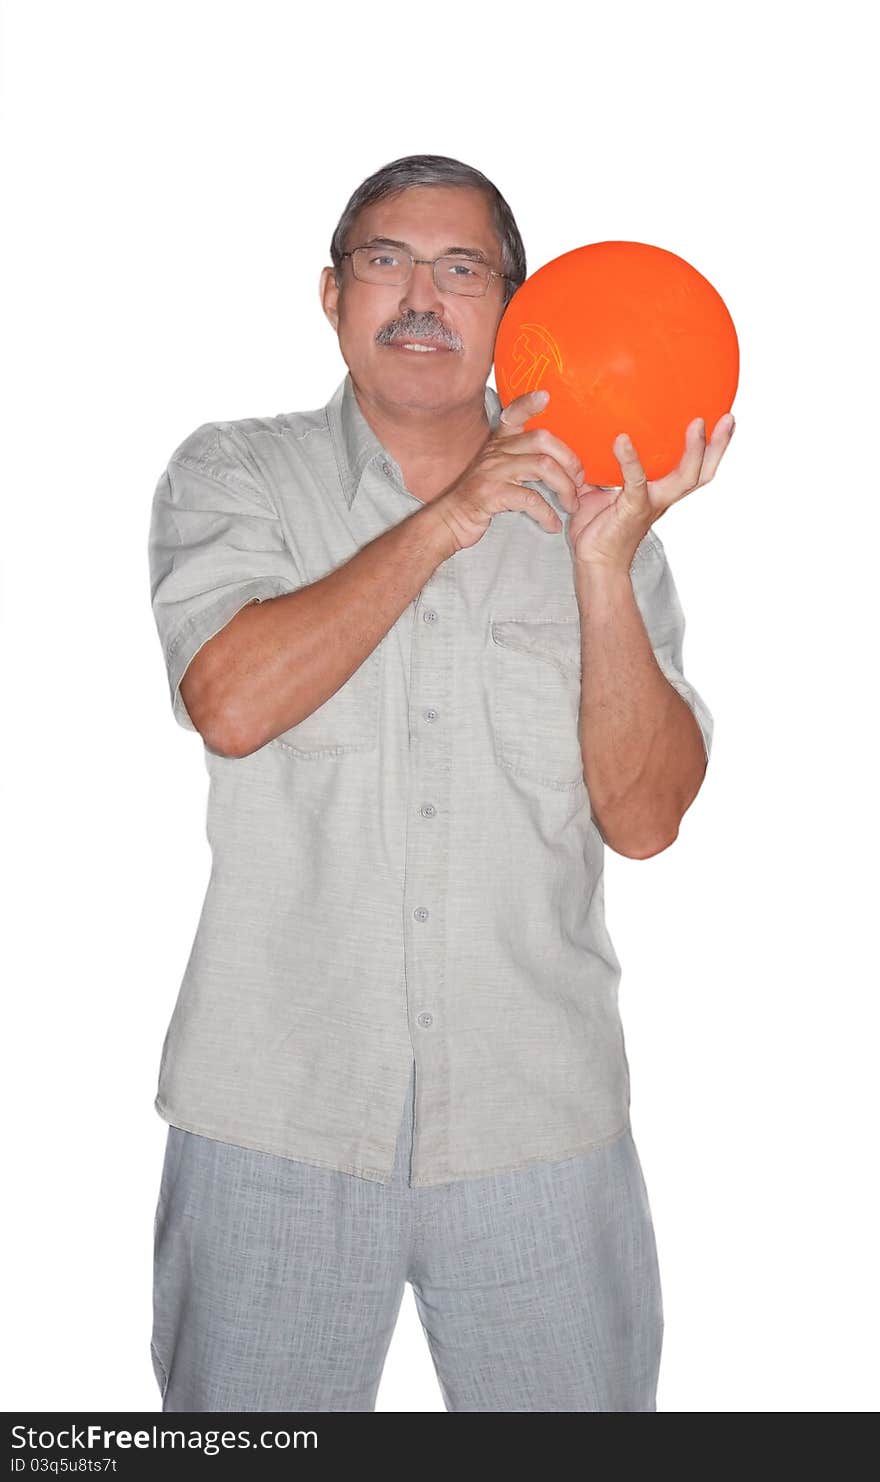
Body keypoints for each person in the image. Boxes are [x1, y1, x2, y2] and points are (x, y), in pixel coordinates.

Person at [148, 153, 731, 1413]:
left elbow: (645, 820)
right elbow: (231, 704)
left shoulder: (607, 521)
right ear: (330, 295)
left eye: (463, 269)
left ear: (514, 311)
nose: (422, 295)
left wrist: (600, 565)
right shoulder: (235, 475)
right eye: (385, 262)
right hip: (275, 1124)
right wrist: (449, 518)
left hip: (540, 1131)